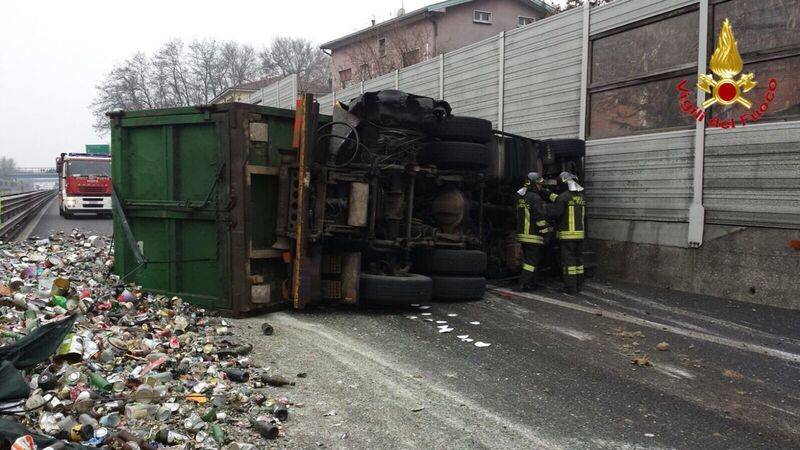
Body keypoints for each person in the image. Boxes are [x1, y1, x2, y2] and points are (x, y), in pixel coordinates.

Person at [548, 172, 586, 294]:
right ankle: (578, 285)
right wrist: (550, 195)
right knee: (578, 261)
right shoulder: (581, 197)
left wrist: (546, 210)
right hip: (580, 235)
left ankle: (570, 288)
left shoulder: (563, 197)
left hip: (567, 236)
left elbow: (555, 214)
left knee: (569, 262)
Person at [515, 172, 553, 291]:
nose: (540, 186)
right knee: (531, 261)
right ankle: (523, 284)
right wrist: (547, 232)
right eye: (539, 184)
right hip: (532, 235)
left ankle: (532, 283)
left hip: (522, 235)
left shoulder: (520, 197)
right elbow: (539, 219)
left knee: (529, 259)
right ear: (533, 184)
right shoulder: (535, 198)